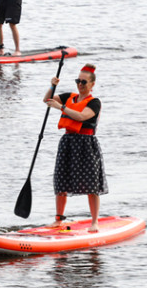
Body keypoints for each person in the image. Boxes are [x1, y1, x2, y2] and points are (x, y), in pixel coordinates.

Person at [43, 64, 108, 233]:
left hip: (86, 144)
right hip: (68, 143)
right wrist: (52, 85)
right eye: (78, 81)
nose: (80, 84)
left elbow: (81, 116)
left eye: (84, 82)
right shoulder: (69, 97)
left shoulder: (94, 102)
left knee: (91, 184)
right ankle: (58, 220)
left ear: (92, 84)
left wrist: (62, 108)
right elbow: (47, 100)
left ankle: (94, 222)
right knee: (61, 181)